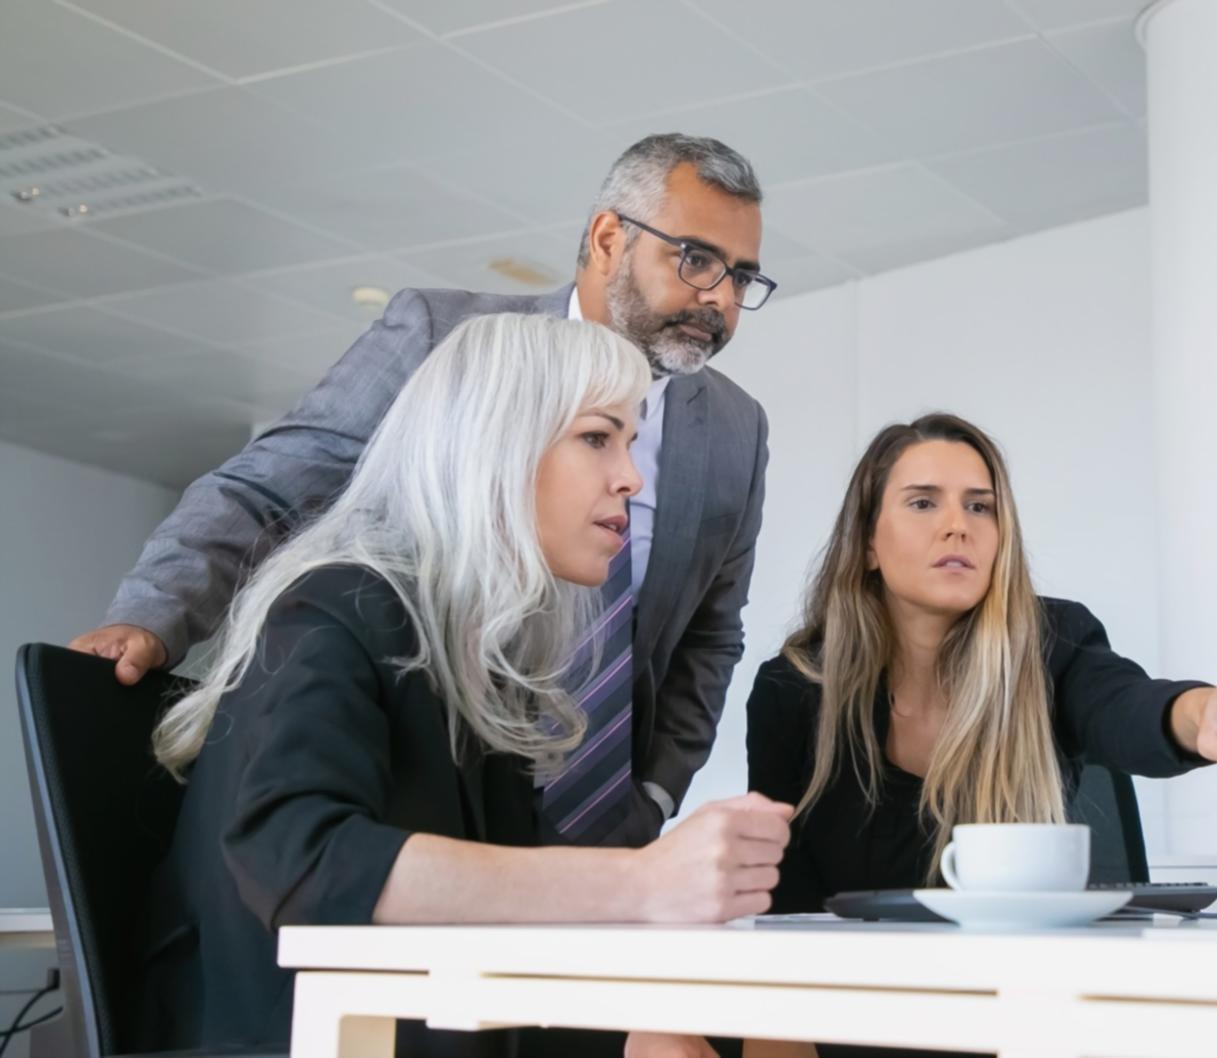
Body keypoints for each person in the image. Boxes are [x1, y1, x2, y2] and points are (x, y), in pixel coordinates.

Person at [71, 133, 779, 848]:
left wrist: (653, 798)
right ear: (606, 239)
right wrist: (150, 616)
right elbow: (267, 492)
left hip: (595, 825)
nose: (719, 298)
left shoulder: (734, 430)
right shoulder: (448, 340)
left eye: (742, 278)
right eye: (695, 259)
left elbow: (708, 637)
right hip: (413, 793)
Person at [139, 313, 792, 1058]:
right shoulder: (334, 607)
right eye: (597, 437)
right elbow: (304, 865)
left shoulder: (480, 660)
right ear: (499, 442)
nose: (632, 476)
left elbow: (511, 901)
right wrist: (641, 882)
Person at [742, 414, 1217, 1058]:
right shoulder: (794, 688)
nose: (958, 525)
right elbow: (781, 913)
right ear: (866, 542)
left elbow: (1129, 706)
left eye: (981, 506)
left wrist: (1206, 716)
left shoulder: (1053, 644)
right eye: (923, 503)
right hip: (857, 1030)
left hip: (1027, 1026)